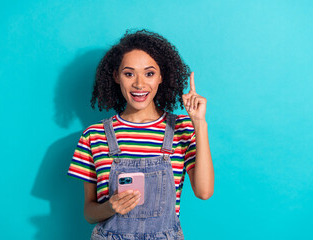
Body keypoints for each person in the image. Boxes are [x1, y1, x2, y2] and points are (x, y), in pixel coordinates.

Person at [67, 29, 214, 239]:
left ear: (161, 76)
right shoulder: (94, 136)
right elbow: (89, 213)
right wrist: (111, 207)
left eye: (149, 73)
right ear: (116, 76)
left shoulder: (182, 129)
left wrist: (199, 123)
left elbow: (204, 192)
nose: (139, 84)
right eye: (129, 73)